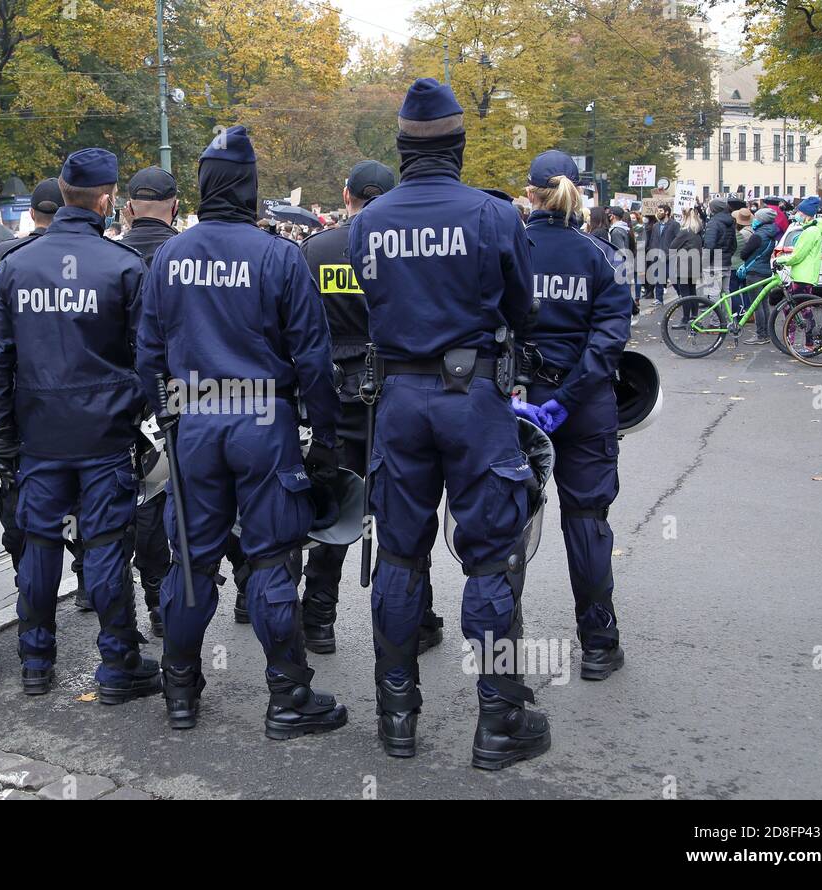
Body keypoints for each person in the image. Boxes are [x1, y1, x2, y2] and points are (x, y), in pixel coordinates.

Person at [348, 79, 546, 766]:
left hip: (399, 402)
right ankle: (497, 724)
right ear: (459, 146)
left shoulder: (368, 222)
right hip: (474, 402)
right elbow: (525, 312)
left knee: (401, 557)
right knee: (490, 560)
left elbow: (375, 303)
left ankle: (396, 718)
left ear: (400, 148)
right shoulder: (492, 216)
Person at [138, 126, 348, 738]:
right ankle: (287, 697)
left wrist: (168, 412)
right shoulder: (278, 255)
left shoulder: (169, 257)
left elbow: (148, 353)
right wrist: (328, 439)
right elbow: (312, 358)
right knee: (271, 562)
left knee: (191, 562)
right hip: (263, 421)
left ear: (201, 188)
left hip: (194, 422)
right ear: (251, 189)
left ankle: (180, 690)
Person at [0, 148, 159, 704]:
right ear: (107, 199)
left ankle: (36, 661)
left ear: (61, 192)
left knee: (39, 544)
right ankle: (117, 663)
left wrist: (7, 432)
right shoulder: (123, 265)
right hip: (104, 435)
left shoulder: (15, 265)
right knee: (105, 545)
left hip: (40, 434)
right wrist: (134, 410)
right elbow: (149, 357)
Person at [297, 159, 443, 655]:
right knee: (404, 506)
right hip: (397, 389)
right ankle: (415, 616)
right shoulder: (404, 247)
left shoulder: (315, 249)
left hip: (334, 392)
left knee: (335, 503)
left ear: (346, 196)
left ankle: (318, 616)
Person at [516, 151, 630, 683]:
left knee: (507, 521)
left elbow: (493, 328)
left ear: (530, 193)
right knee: (586, 520)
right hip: (583, 407)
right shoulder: (600, 256)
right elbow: (610, 339)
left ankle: (504, 648)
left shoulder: (511, 251)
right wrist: (570, 395)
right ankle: (599, 644)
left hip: (518, 405)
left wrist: (521, 392)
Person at [0, 178, 64, 583]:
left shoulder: (2, 256)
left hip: (17, 398)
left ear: (31, 213)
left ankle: (26, 576)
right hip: (73, 402)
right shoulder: (86, 254)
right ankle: (85, 580)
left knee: (19, 488)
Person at [115, 165, 182, 636]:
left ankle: (158, 598)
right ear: (175, 206)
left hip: (127, 398)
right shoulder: (185, 256)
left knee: (145, 499)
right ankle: (240, 589)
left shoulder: (107, 256)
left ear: (130, 208)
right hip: (188, 391)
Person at [734, 206, 780, 344]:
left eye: (756, 218)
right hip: (766, 271)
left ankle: (760, 335)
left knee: (756, 305)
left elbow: (744, 253)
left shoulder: (758, 235)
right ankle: (766, 333)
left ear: (761, 220)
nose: (754, 220)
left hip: (754, 272)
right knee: (764, 304)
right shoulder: (771, 233)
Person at [774, 196, 822, 308]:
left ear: (805, 213)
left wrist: (780, 260)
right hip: (803, 275)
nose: (797, 214)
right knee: (795, 307)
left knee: (798, 308)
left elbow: (798, 255)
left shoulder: (810, 232)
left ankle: (807, 326)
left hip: (803, 276)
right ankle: (800, 325)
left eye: (799, 211)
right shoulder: (810, 230)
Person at [666, 205, 705, 329]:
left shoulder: (685, 232)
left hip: (683, 266)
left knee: (685, 295)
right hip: (694, 265)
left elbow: (672, 246)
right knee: (692, 292)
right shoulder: (697, 230)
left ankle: (685, 319)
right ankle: (694, 317)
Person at [701, 197, 737, 314]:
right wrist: (727, 255)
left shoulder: (713, 222)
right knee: (726, 293)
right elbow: (734, 245)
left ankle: (715, 322)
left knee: (713, 293)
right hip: (726, 261)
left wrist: (705, 262)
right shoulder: (731, 221)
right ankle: (727, 319)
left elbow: (709, 245)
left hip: (714, 262)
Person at [643, 203, 679, 306]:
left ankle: (682, 296)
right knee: (659, 278)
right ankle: (659, 299)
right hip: (657, 256)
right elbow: (653, 240)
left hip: (669, 256)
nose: (658, 213)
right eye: (658, 211)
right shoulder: (655, 225)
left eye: (660, 211)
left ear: (666, 212)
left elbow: (678, 239)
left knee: (673, 278)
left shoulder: (674, 224)